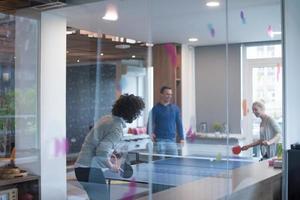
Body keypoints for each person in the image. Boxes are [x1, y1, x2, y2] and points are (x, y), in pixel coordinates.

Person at [74, 94, 145, 200]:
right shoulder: (117, 128)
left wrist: (112, 153)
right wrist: (113, 167)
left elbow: (99, 144)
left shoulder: (107, 119)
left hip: (81, 167)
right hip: (90, 169)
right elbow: (102, 153)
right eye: (138, 112)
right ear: (132, 112)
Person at [148, 86, 184, 156]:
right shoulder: (155, 109)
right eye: (167, 94)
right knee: (160, 164)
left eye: (170, 94)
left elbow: (179, 124)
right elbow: (150, 123)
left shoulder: (175, 108)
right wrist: (150, 133)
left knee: (174, 162)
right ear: (161, 94)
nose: (169, 96)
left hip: (172, 141)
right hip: (159, 141)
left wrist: (182, 138)